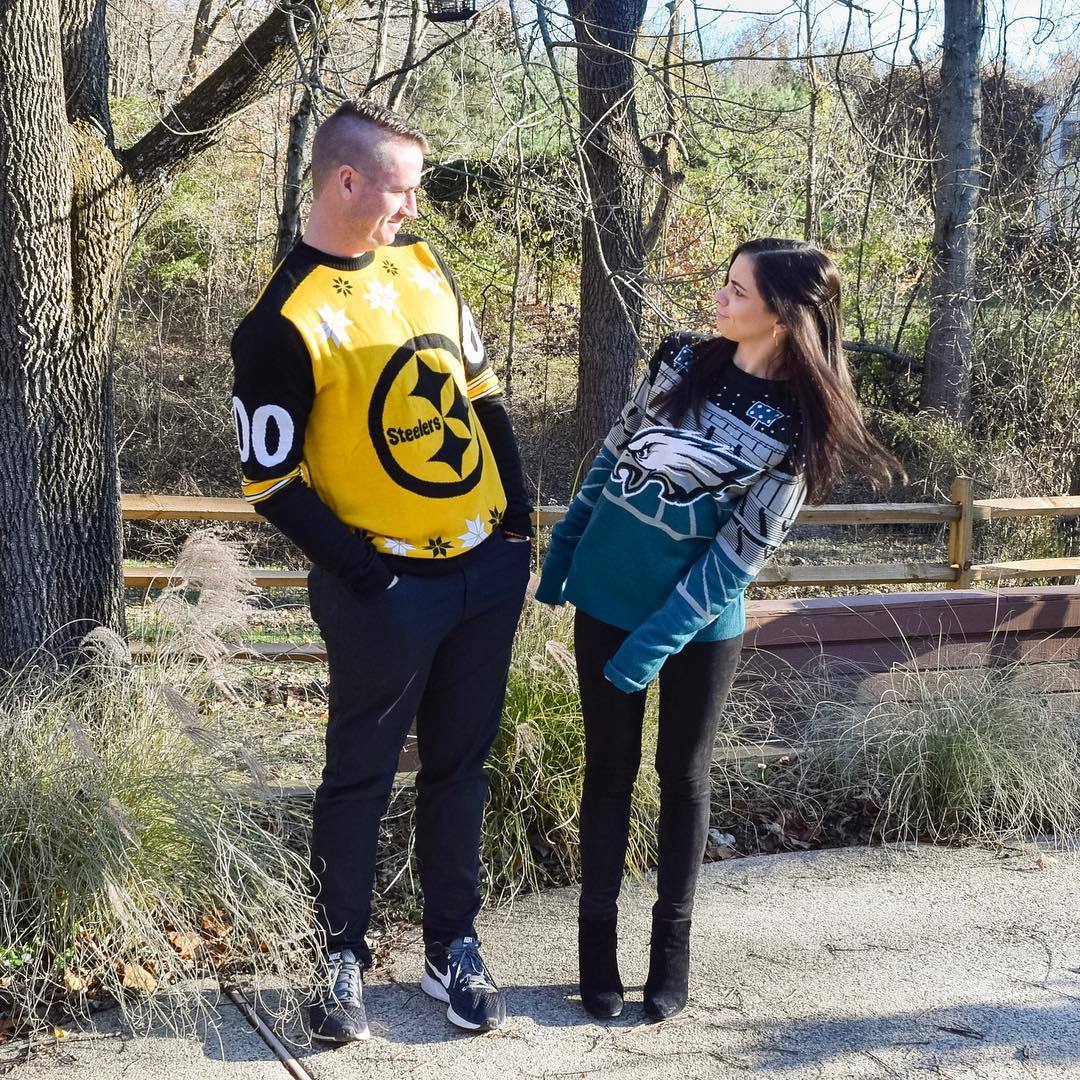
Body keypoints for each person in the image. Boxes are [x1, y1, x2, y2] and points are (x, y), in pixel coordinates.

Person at [536, 238, 902, 1021]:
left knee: (682, 774)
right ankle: (594, 950)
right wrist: (566, 547)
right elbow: (615, 451)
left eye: (737, 290)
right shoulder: (679, 360)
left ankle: (672, 948)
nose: (720, 298)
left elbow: (736, 557)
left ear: (783, 312)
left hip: (698, 626)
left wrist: (654, 642)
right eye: (724, 283)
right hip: (606, 599)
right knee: (608, 774)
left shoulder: (800, 428)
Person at [230, 99, 533, 1043]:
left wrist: (519, 530)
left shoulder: (424, 266)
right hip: (385, 590)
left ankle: (455, 949)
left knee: (460, 768)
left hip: (485, 570)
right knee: (358, 775)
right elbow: (269, 481)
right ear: (346, 181)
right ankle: (339, 960)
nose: (414, 206)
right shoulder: (281, 320)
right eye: (403, 188)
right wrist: (368, 576)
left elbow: (481, 395)